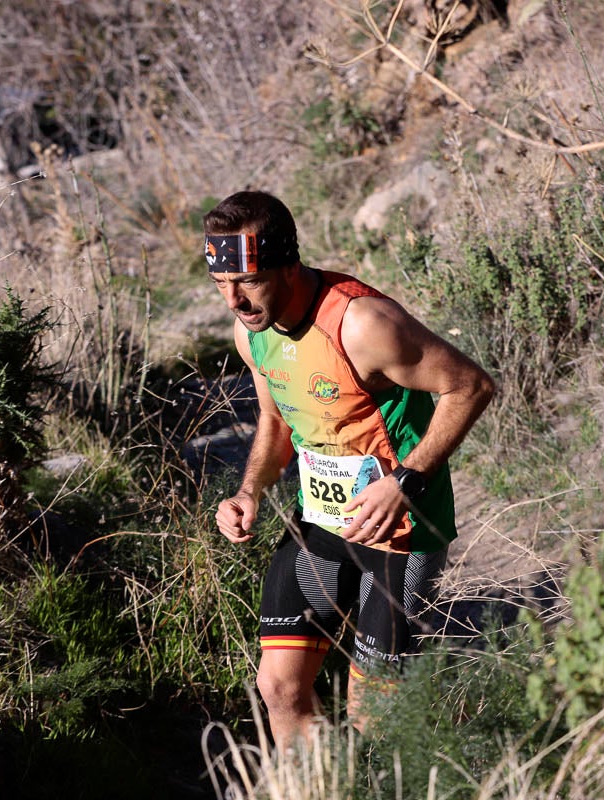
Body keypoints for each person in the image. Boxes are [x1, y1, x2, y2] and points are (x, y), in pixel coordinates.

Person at [207, 190, 495, 747]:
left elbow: (471, 385)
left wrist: (406, 481)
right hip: (322, 523)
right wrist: (251, 491)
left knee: (376, 718)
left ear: (289, 265)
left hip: (400, 533)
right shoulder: (253, 332)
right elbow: (275, 417)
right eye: (222, 284)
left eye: (249, 281)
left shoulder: (362, 324)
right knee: (280, 688)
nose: (235, 300)